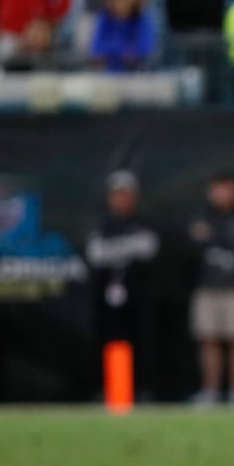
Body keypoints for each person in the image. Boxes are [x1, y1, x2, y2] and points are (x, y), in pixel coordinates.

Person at [188, 173, 234, 407]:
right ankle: (211, 390)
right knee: (208, 338)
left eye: (227, 189)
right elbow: (191, 243)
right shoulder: (202, 215)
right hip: (209, 287)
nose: (222, 195)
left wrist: (215, 236)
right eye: (217, 189)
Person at [85, 170, 161, 396]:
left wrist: (115, 248)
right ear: (110, 197)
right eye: (118, 194)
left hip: (138, 292)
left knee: (140, 340)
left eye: (126, 194)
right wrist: (129, 247)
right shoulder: (103, 224)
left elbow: (148, 248)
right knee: (109, 340)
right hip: (107, 293)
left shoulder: (144, 222)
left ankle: (140, 388)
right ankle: (109, 388)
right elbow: (96, 254)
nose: (122, 199)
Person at [90, 0, 158, 71]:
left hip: (137, 74)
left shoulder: (143, 20)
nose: (120, 4)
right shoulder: (104, 20)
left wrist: (113, 50)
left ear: (133, 1)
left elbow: (145, 49)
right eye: (116, 0)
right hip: (108, 76)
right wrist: (125, 50)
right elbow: (97, 49)